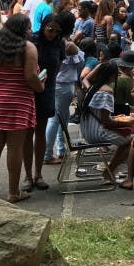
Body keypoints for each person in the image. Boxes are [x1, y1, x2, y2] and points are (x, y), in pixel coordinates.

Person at [0, 14, 43, 203]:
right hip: (18, 102)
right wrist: (41, 86)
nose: (30, 31)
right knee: (15, 148)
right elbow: (30, 76)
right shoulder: (28, 48)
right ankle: (13, 192)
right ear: (22, 30)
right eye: (28, 28)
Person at [22, 13, 68, 192]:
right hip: (30, 89)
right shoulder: (32, 40)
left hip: (48, 89)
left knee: (40, 132)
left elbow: (59, 63)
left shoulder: (60, 43)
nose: (53, 33)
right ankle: (27, 175)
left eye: (57, 31)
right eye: (50, 29)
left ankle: (38, 174)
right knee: (27, 133)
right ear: (43, 25)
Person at [78, 61, 134, 185]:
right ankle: (109, 171)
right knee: (132, 140)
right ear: (111, 76)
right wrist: (128, 123)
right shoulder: (107, 92)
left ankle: (110, 171)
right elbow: (106, 121)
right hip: (97, 133)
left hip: (86, 130)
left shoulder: (91, 88)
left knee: (127, 138)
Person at [43, 33, 84, 166]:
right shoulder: (66, 46)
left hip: (62, 85)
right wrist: (75, 45)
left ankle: (61, 150)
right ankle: (47, 154)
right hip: (62, 86)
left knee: (62, 119)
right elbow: (81, 60)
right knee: (55, 120)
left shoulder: (54, 45)